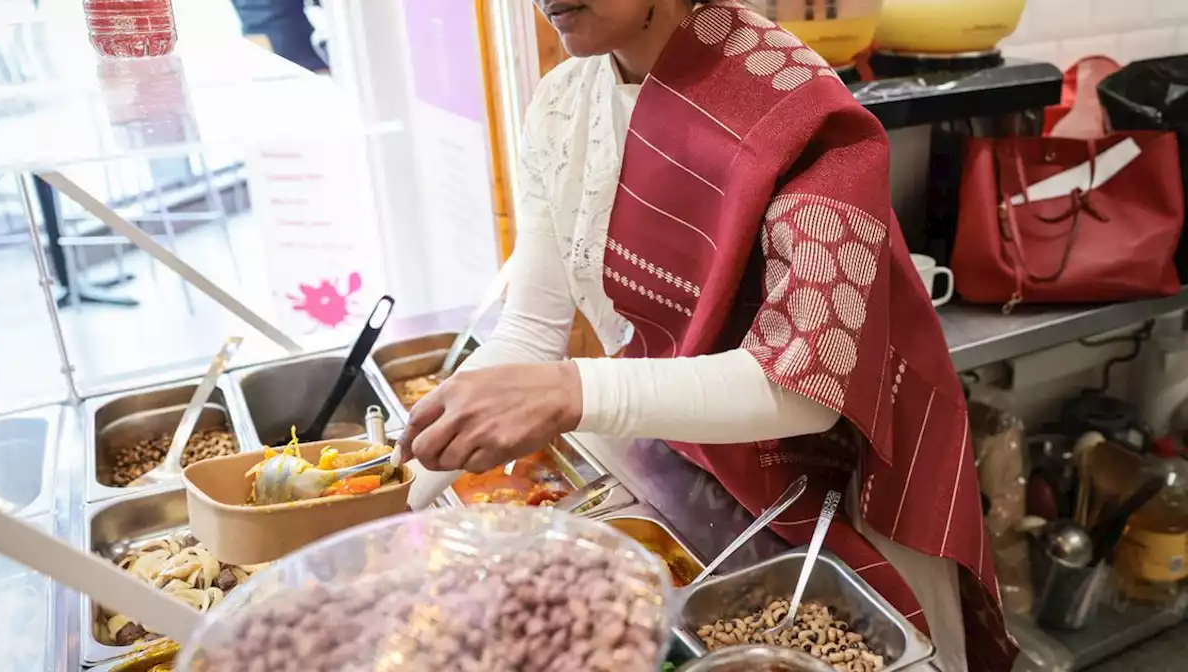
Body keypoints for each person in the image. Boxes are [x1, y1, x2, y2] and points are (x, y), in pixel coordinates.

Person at [399, 2, 1011, 670]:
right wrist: (429, 461)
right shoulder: (562, 104)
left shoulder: (799, 109)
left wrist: (571, 391)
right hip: (690, 465)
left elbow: (804, 384)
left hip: (838, 493)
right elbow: (530, 327)